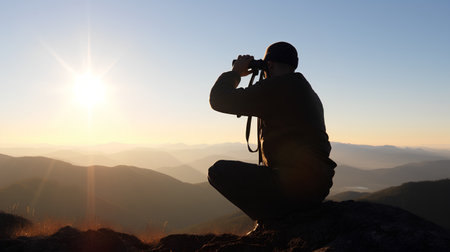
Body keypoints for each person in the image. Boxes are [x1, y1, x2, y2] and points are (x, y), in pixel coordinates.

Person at [208, 42, 336, 223]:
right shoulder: (303, 89)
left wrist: (236, 72)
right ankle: (275, 219)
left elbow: (219, 99)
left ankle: (269, 222)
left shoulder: (279, 87)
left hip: (297, 185)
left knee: (218, 171)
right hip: (315, 184)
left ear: (269, 65)